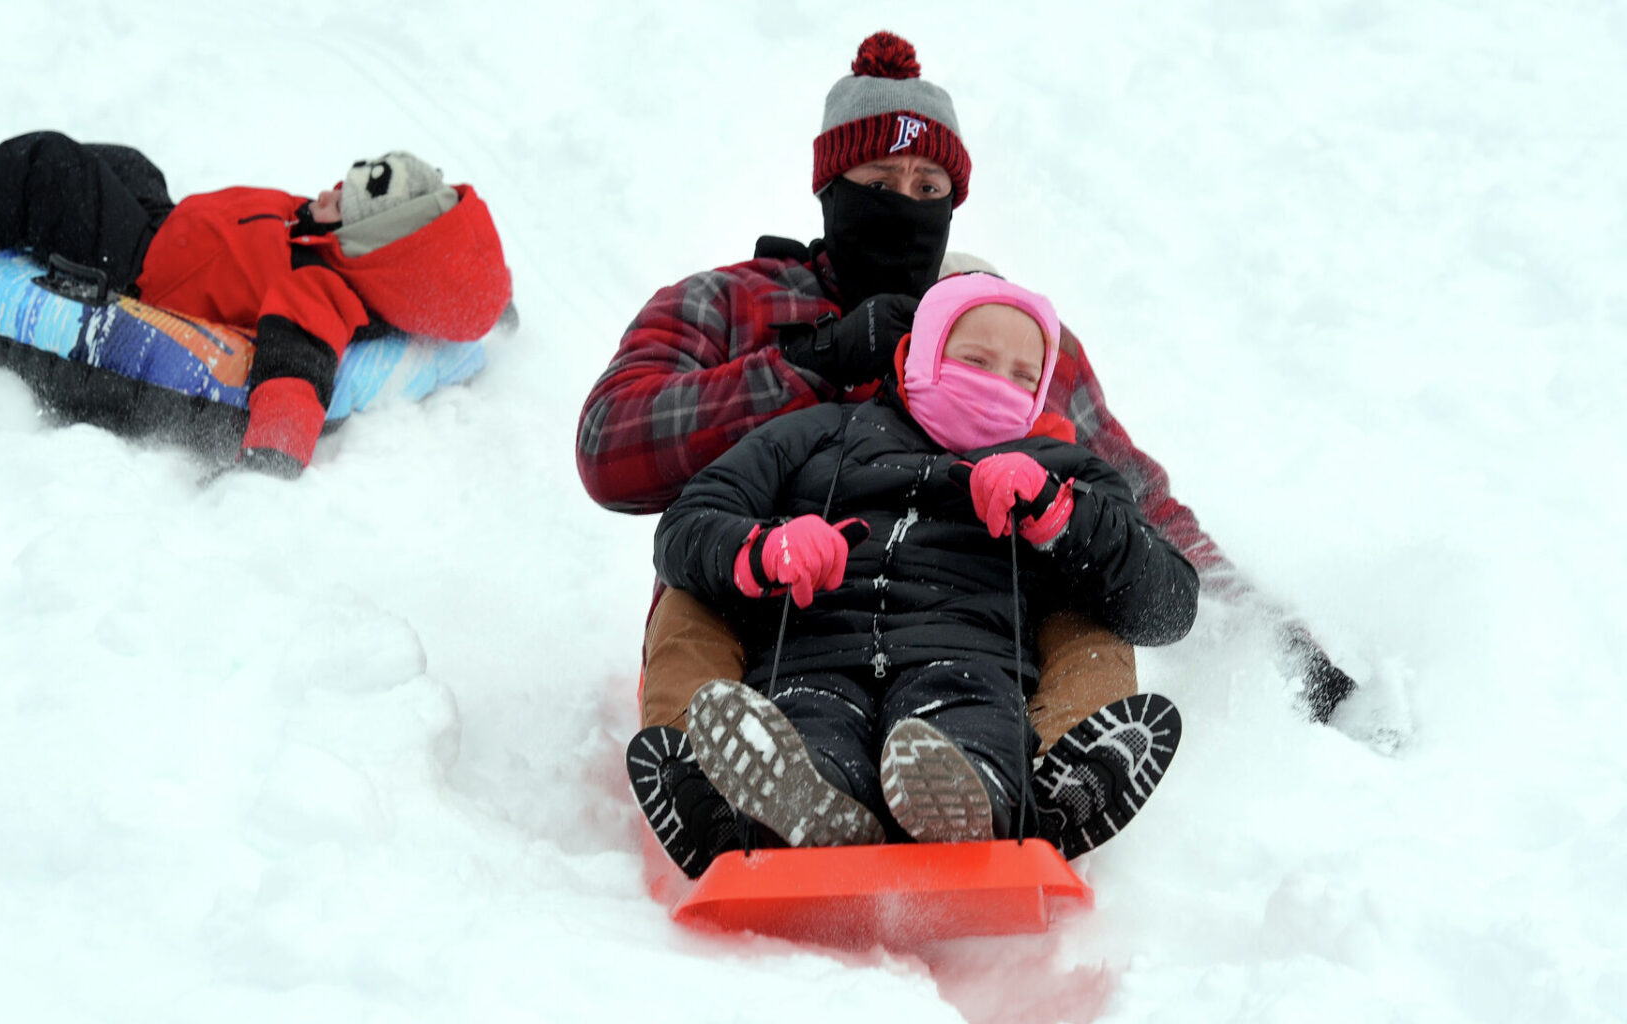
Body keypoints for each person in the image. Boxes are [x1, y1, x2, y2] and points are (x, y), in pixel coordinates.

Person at [578, 31, 1354, 770]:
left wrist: (1269, 638)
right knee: (694, 589)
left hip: (966, 646)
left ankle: (1055, 771)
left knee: (1081, 579)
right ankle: (713, 764)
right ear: (830, 190)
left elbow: (1136, 505)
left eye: (927, 187)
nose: (903, 202)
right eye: (879, 184)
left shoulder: (1007, 338)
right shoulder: (727, 303)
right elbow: (612, 448)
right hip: (773, 620)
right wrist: (815, 361)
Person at [634, 274, 1195, 875]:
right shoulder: (816, 434)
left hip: (969, 659)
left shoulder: (1064, 469)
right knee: (811, 728)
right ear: (920, 354)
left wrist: (1063, 515)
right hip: (815, 650)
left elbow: (1168, 606)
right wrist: (766, 548)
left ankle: (975, 799)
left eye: (1022, 377)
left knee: (963, 727)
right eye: (974, 360)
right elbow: (689, 521)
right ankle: (806, 808)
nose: (995, 385)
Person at [0, 131, 512, 477]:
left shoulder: (321, 288)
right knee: (123, 163)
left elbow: (295, 372)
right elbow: (449, 279)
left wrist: (272, 459)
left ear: (371, 244)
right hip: (166, 225)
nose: (330, 190)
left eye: (347, 201)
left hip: (139, 270)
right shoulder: (337, 244)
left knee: (41, 163)